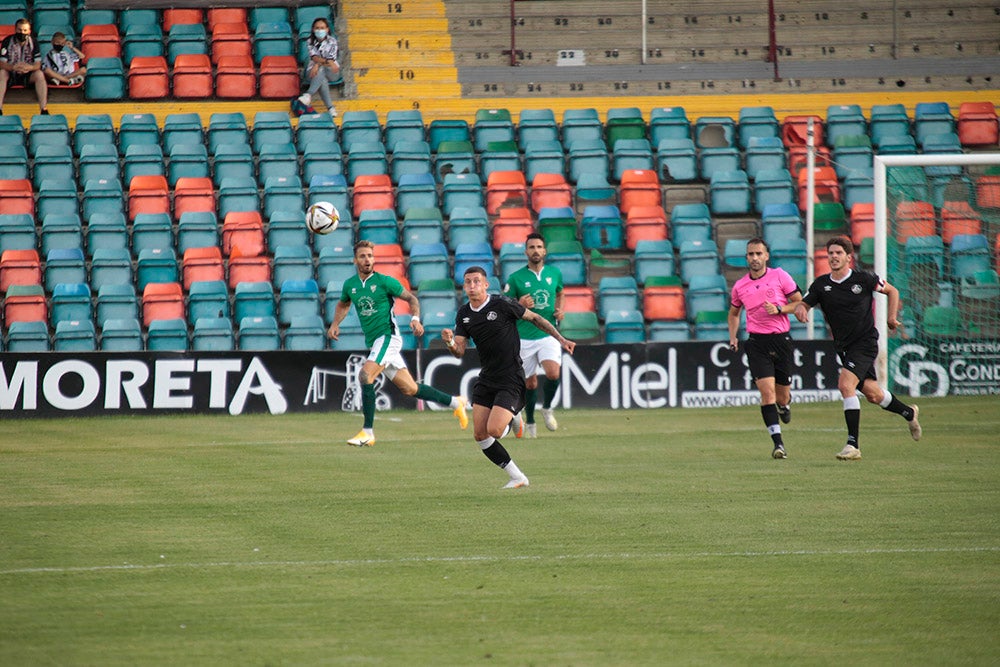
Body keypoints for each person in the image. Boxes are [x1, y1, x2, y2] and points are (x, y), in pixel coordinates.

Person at [775, 235, 921, 460]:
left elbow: (893, 291)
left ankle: (853, 444)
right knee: (873, 395)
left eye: (838, 253)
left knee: (845, 385)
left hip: (864, 343)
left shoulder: (864, 279)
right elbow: (804, 302)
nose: (833, 257)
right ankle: (909, 412)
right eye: (830, 253)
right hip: (844, 347)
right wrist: (802, 308)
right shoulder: (821, 285)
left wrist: (891, 318)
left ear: (848, 258)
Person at [441, 266, 576, 489]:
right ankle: (517, 476)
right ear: (464, 286)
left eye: (477, 281)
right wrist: (449, 342)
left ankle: (514, 417)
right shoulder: (464, 314)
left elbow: (536, 319)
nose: (472, 286)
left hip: (510, 377)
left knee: (494, 431)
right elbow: (460, 351)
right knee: (480, 435)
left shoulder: (502, 304)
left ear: (486, 285)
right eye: (468, 282)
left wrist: (561, 339)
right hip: (486, 378)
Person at [328, 240, 469, 446]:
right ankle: (456, 402)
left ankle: (367, 432)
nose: (367, 260)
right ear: (355, 260)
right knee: (410, 389)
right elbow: (343, 303)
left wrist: (414, 319)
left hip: (388, 337)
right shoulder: (351, 285)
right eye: (363, 256)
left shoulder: (385, 281)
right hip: (376, 341)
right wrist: (334, 324)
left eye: (370, 256)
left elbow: (412, 299)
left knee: (365, 375)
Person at [727, 237, 802, 459]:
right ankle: (778, 444)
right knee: (766, 393)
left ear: (766, 256)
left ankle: (785, 405)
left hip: (781, 340)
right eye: (751, 254)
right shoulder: (740, 286)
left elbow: (800, 302)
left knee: (781, 396)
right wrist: (733, 337)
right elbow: (733, 313)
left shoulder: (780, 275)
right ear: (746, 257)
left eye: (759, 254)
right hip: (756, 342)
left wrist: (780, 309)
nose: (755, 258)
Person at [502, 233, 565, 438]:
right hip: (524, 336)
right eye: (531, 247)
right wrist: (519, 304)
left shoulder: (554, 273)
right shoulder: (516, 278)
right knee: (529, 384)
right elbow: (504, 306)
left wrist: (560, 309)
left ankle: (546, 407)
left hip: (548, 334)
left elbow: (560, 291)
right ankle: (530, 422)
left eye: (539, 247)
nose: (536, 250)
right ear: (526, 252)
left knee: (553, 373)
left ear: (544, 251)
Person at [0, 18, 48, 115]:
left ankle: (43, 109)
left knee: (39, 74)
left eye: (25, 30)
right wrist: (13, 67)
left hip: (27, 74)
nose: (22, 32)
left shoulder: (34, 42)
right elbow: (2, 63)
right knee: (2, 73)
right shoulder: (7, 41)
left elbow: (37, 64)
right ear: (15, 30)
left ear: (29, 31)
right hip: (11, 73)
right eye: (19, 30)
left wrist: (28, 68)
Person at [296, 17, 339, 118]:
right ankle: (331, 108)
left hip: (332, 72)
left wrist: (317, 64)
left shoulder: (332, 41)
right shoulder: (310, 41)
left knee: (321, 69)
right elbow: (314, 57)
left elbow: (331, 60)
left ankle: (308, 95)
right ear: (313, 29)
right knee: (322, 79)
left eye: (322, 28)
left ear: (327, 29)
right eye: (317, 28)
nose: (320, 30)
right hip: (314, 73)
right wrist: (319, 62)